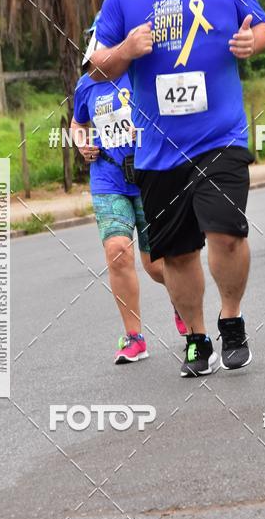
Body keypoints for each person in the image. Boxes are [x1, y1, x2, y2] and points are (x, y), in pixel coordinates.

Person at [88, 0, 265, 376]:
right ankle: (196, 337)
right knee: (176, 253)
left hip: (221, 138)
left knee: (226, 233)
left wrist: (251, 41)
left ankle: (231, 320)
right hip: (157, 151)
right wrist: (127, 48)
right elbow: (96, 68)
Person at [71, 55, 187, 365]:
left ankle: (183, 304)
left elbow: (175, 110)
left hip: (151, 173)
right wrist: (82, 143)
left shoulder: (145, 72)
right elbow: (78, 123)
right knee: (118, 251)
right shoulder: (87, 84)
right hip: (108, 177)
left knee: (155, 265)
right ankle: (134, 337)